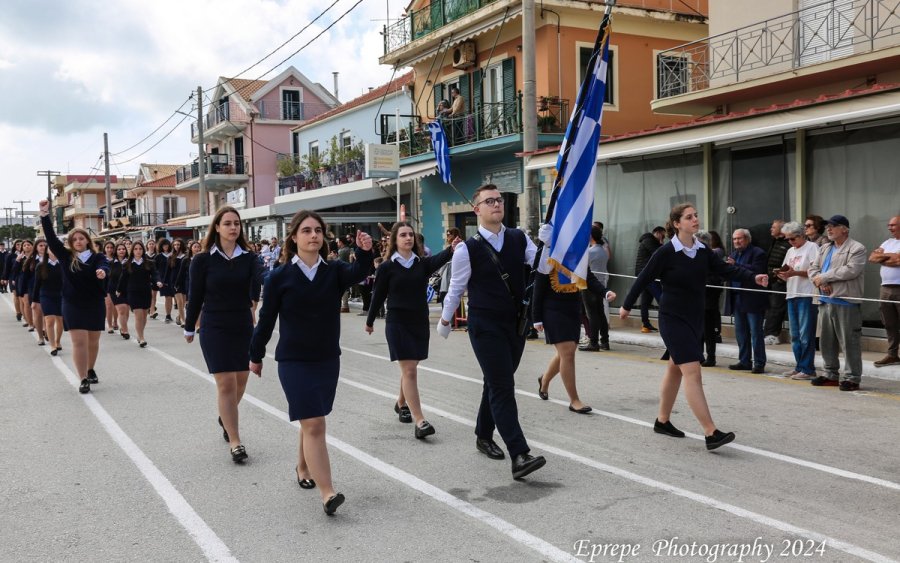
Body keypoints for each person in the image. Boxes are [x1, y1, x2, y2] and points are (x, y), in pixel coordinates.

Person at [250, 210, 373, 516]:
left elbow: (361, 272)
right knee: (316, 423)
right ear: (294, 237)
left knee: (311, 419)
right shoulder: (279, 277)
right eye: (306, 230)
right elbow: (266, 320)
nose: (313, 235)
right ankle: (328, 492)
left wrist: (365, 250)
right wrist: (255, 355)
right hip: (293, 361)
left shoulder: (334, 271)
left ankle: (303, 466)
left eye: (318, 230)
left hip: (327, 358)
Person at [619, 203, 768, 451]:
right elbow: (644, 277)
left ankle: (662, 420)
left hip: (694, 318)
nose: (695, 220)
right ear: (677, 224)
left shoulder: (702, 251)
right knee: (692, 372)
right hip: (672, 318)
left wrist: (753, 277)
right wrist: (626, 305)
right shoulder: (666, 252)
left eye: (696, 216)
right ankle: (711, 432)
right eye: (689, 217)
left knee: (675, 370)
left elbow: (726, 269)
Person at [438, 184, 547, 479]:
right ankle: (519, 454)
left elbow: (544, 268)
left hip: (515, 323)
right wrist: (445, 321)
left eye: (499, 200)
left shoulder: (518, 237)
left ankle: (483, 434)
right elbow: (456, 288)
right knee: (502, 385)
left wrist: (546, 246)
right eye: (489, 201)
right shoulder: (466, 249)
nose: (496, 204)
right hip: (485, 326)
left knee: (497, 381)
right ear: (477, 210)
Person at [184, 207, 264, 463]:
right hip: (214, 324)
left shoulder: (250, 258)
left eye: (237, 223)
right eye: (227, 223)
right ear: (216, 227)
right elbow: (194, 295)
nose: (233, 227)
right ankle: (236, 441)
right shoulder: (202, 260)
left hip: (242, 323)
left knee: (241, 380)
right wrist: (189, 326)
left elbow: (262, 282)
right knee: (226, 383)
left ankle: (225, 416)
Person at [365, 222, 457, 438]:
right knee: (409, 370)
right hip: (397, 322)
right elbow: (378, 295)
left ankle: (400, 403)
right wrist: (370, 320)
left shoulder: (421, 264)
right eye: (403, 235)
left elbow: (439, 259)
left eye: (410, 235)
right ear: (395, 240)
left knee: (410, 367)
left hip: (418, 322)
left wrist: (452, 248)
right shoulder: (387, 267)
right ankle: (420, 421)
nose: (408, 238)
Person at [534, 231, 616, 413]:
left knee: (566, 353)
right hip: (552, 309)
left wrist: (605, 292)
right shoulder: (548, 254)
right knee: (568, 353)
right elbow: (538, 287)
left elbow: (589, 279)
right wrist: (536, 317)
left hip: (572, 307)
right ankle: (574, 400)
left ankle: (545, 380)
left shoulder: (578, 255)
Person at [39, 199, 109, 394]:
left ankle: (90, 368)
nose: (78, 241)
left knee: (93, 341)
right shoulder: (66, 256)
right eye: (75, 239)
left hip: (94, 303)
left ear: (87, 240)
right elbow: (51, 239)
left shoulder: (97, 257)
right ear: (71, 243)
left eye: (81, 238)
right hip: (72, 304)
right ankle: (83, 379)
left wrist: (102, 272)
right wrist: (45, 215)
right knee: (79, 341)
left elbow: (104, 266)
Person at [808, 215, 867, 391]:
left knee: (850, 342)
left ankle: (852, 377)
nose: (829, 229)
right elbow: (813, 269)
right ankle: (830, 374)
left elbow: (851, 270)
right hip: (824, 300)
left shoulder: (857, 248)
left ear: (845, 229)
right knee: (826, 341)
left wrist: (823, 277)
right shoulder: (824, 247)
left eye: (833, 226)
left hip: (845, 300)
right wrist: (821, 282)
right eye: (828, 227)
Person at [776, 221, 819, 380]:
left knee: (805, 334)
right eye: (787, 239)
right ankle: (799, 366)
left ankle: (808, 368)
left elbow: (815, 270)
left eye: (792, 239)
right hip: (792, 293)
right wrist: (783, 274)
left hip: (806, 294)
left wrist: (795, 273)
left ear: (801, 235)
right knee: (795, 335)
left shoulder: (812, 248)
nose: (790, 242)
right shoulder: (790, 251)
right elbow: (786, 268)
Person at [725, 228, 768, 374]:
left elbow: (757, 270)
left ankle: (759, 363)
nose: (736, 241)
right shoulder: (734, 254)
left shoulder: (758, 253)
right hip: (737, 298)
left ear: (747, 239)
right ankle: (744, 361)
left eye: (739, 238)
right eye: (734, 239)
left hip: (752, 298)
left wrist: (736, 265)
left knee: (756, 332)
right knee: (740, 333)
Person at [118, 241, 162, 347]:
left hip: (146, 291)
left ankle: (140, 334)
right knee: (138, 315)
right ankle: (141, 337)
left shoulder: (149, 262)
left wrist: (158, 281)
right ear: (132, 251)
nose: (138, 251)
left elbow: (155, 274)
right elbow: (123, 279)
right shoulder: (127, 264)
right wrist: (118, 290)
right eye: (136, 249)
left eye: (140, 249)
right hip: (133, 292)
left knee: (144, 316)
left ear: (143, 250)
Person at [869, 215, 900, 367]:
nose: (889, 228)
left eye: (893, 225)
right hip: (885, 288)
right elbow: (872, 258)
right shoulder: (888, 242)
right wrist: (890, 256)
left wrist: (882, 256)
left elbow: (899, 260)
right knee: (889, 323)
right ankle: (892, 354)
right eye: (888, 225)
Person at [580, 225, 612, 352]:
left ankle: (593, 342)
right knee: (600, 314)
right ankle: (604, 341)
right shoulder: (602, 250)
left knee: (592, 315)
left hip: (590, 285)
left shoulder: (590, 252)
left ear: (591, 236)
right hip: (601, 284)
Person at [696, 230, 724, 367]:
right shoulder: (696, 257)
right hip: (697, 298)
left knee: (708, 329)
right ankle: (699, 355)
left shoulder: (712, 257)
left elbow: (718, 277)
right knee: (698, 329)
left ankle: (711, 357)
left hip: (709, 298)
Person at [763, 219, 791, 345]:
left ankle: (772, 335)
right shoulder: (775, 241)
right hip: (771, 280)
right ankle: (768, 333)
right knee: (770, 308)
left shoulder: (787, 243)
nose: (771, 229)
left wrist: (779, 276)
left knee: (776, 308)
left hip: (780, 281)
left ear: (781, 229)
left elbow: (788, 263)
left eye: (774, 227)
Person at [634, 227, 665, 333]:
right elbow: (659, 253)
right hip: (647, 275)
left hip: (645, 274)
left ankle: (645, 324)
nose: (663, 238)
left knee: (646, 300)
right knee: (661, 298)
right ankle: (667, 322)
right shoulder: (649, 241)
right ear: (657, 233)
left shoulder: (648, 241)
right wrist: (661, 242)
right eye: (662, 235)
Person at [34, 248, 64, 355]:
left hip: (61, 295)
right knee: (49, 319)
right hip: (46, 295)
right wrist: (34, 300)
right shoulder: (41, 266)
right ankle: (52, 345)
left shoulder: (63, 264)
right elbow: (37, 284)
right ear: (47, 251)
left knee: (60, 320)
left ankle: (58, 341)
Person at [26, 240, 49, 345]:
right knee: (38, 313)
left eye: (45, 245)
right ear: (36, 247)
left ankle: (48, 331)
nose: (43, 247)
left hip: (47, 290)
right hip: (34, 290)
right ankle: (40, 337)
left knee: (48, 313)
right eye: (40, 245)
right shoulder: (31, 260)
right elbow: (24, 276)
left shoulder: (51, 259)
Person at [108, 243, 131, 339]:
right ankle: (125, 330)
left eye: (123, 249)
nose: (121, 251)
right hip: (115, 290)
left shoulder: (130, 262)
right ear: (116, 251)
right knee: (121, 310)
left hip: (128, 289)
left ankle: (123, 327)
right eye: (119, 249)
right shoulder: (111, 263)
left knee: (126, 310)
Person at [14, 240, 35, 331]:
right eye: (25, 245)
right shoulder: (20, 258)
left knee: (37, 305)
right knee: (26, 303)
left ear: (32, 246)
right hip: (23, 283)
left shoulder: (37, 257)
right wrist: (17, 260)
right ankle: (30, 323)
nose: (27, 246)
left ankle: (39, 323)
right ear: (22, 248)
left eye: (29, 245)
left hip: (35, 282)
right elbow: (15, 271)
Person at [155, 238, 175, 323]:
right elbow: (155, 270)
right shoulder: (158, 257)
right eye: (163, 245)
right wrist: (158, 280)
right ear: (161, 246)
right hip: (164, 280)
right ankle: (168, 315)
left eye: (167, 245)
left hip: (173, 279)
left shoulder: (173, 255)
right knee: (168, 297)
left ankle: (180, 316)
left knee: (178, 298)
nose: (165, 247)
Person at [169, 239, 187, 326]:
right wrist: (163, 282)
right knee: (179, 301)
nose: (176, 246)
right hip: (174, 281)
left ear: (181, 245)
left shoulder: (186, 256)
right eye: (175, 245)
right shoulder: (171, 256)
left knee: (183, 302)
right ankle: (183, 320)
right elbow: (167, 271)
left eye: (178, 244)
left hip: (184, 280)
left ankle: (179, 317)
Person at [145, 239, 158, 318]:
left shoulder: (157, 255)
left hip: (154, 277)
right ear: (147, 245)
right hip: (146, 277)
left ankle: (152, 311)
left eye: (153, 244)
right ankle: (148, 308)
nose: (151, 245)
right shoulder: (144, 255)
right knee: (147, 295)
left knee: (154, 295)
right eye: (150, 244)